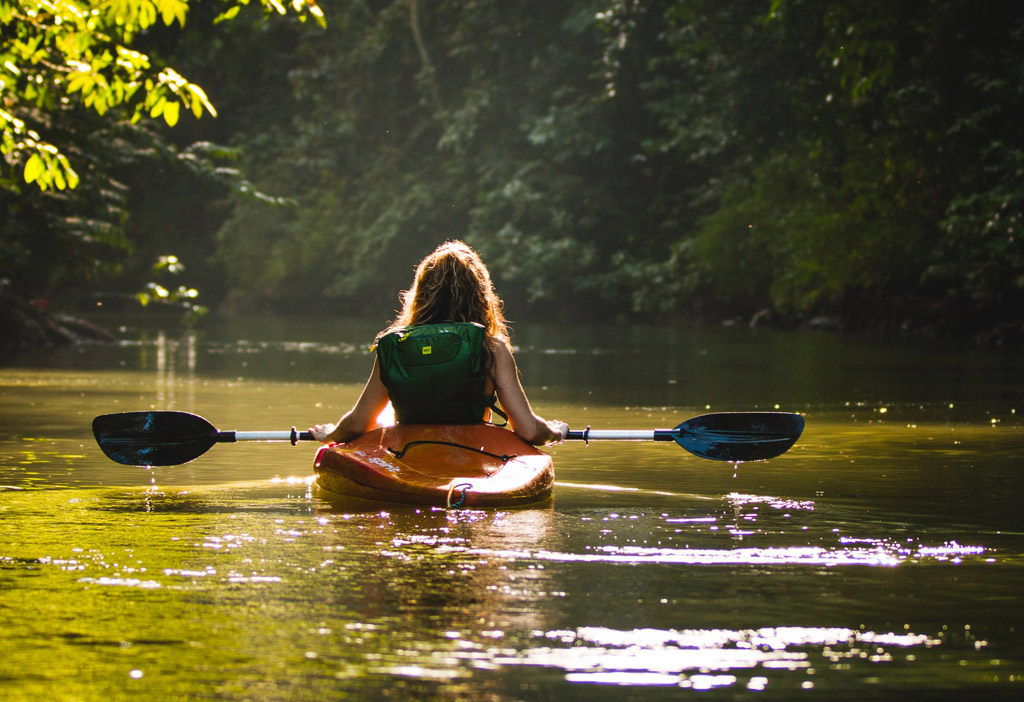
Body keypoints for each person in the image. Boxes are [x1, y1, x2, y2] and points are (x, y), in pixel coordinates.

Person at [309, 240, 569, 446]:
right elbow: (528, 430)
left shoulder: (395, 347)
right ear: (480, 295)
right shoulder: (491, 349)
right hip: (472, 454)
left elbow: (358, 423)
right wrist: (555, 431)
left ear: (421, 294)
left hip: (409, 454)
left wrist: (331, 434)